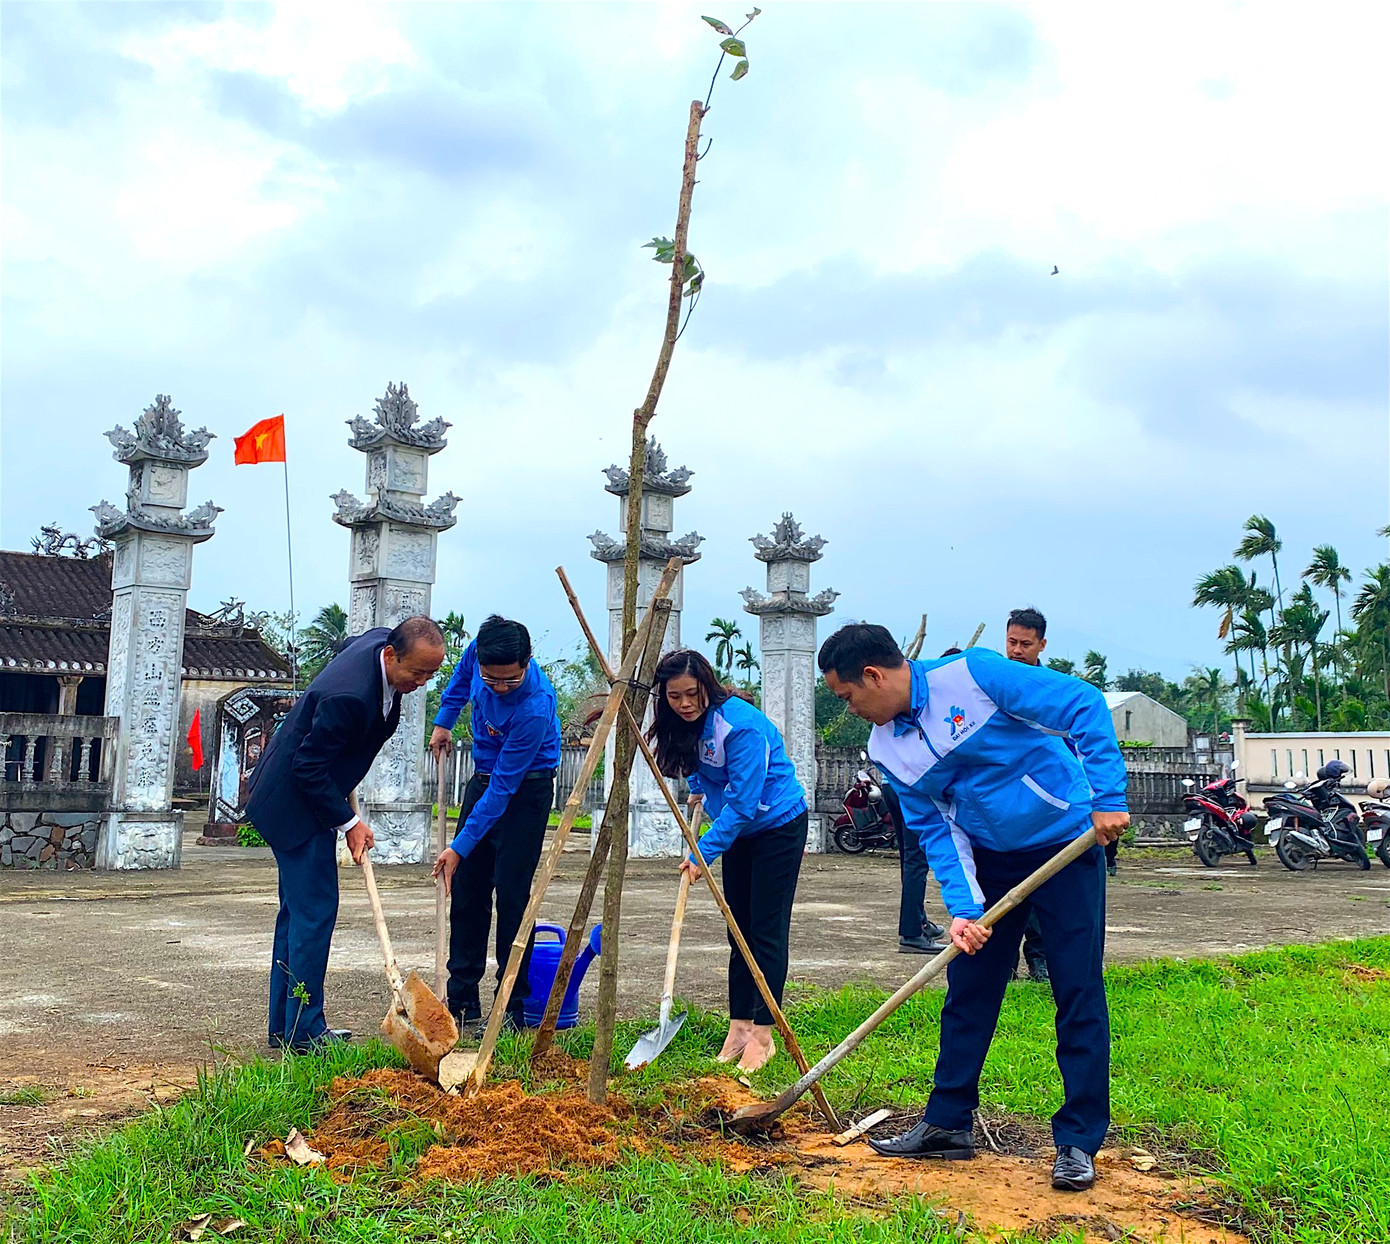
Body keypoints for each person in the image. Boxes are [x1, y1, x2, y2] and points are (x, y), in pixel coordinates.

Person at [818, 624, 1128, 1193]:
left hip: (1066, 845)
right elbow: (934, 827)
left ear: (873, 675)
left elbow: (1082, 705)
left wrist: (1107, 799)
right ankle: (947, 1123)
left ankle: (1078, 1141)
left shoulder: (974, 675)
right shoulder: (888, 745)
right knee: (969, 991)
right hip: (988, 859)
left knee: (1077, 988)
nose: (852, 709)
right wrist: (963, 908)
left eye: (848, 697)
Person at [247, 616, 446, 1052]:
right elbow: (307, 768)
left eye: (431, 674)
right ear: (390, 656)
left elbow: (351, 641)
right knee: (314, 914)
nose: (421, 682)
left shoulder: (379, 644)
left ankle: (287, 1026)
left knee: (297, 916)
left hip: (309, 796)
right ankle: (304, 1033)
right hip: (295, 807)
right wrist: (350, 823)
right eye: (416, 673)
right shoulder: (349, 697)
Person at [649, 649, 808, 1073]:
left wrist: (702, 853)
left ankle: (763, 1033)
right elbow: (700, 766)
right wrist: (700, 786)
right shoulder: (686, 724)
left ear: (708, 686)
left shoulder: (741, 726)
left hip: (775, 825)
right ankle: (739, 1025)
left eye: (692, 694)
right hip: (737, 829)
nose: (684, 704)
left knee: (765, 930)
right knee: (737, 930)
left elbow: (742, 803)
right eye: (674, 696)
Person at [430, 616, 561, 1034]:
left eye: (510, 680)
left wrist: (460, 844)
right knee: (466, 891)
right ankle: (461, 1001)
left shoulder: (535, 705)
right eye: (491, 679)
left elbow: (505, 790)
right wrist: (444, 721)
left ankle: (513, 1006)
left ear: (527, 663)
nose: (499, 687)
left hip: (526, 789)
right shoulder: (478, 654)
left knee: (512, 896)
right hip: (483, 776)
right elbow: (458, 680)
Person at [1008, 608, 1119, 879]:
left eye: (1026, 644)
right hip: (1012, 809)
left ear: (1042, 645)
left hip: (1061, 808)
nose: (1017, 651)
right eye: (1012, 642)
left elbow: (1085, 748)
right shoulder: (993, 686)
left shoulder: (1058, 692)